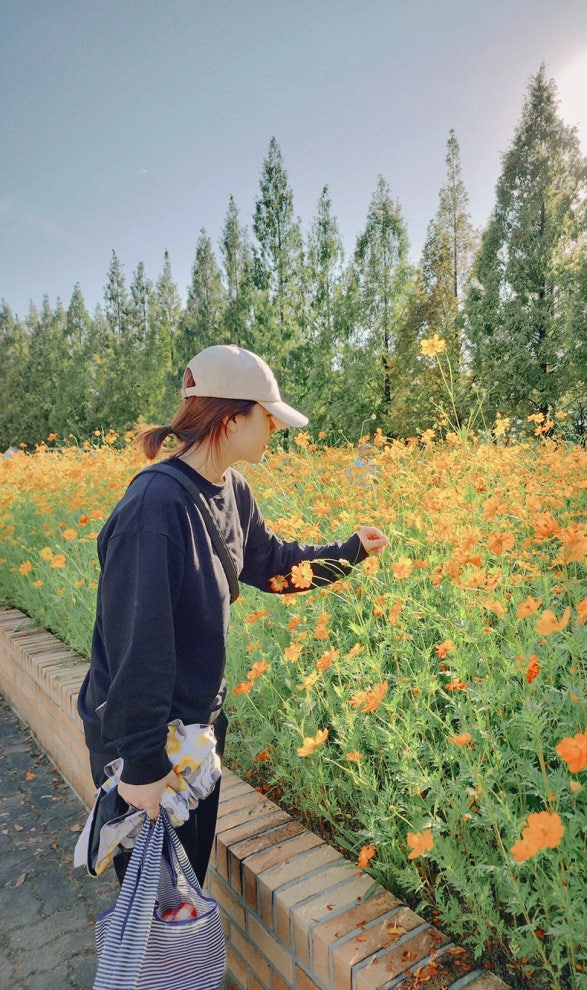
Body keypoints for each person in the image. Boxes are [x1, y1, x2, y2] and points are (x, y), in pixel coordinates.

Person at [77, 344, 388, 885]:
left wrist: (348, 552)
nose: (275, 427)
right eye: (267, 415)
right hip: (150, 747)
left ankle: (179, 971)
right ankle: (154, 974)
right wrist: (143, 768)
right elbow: (136, 647)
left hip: (194, 737)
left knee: (183, 890)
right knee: (156, 903)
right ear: (231, 419)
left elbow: (272, 564)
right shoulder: (154, 509)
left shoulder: (232, 490)